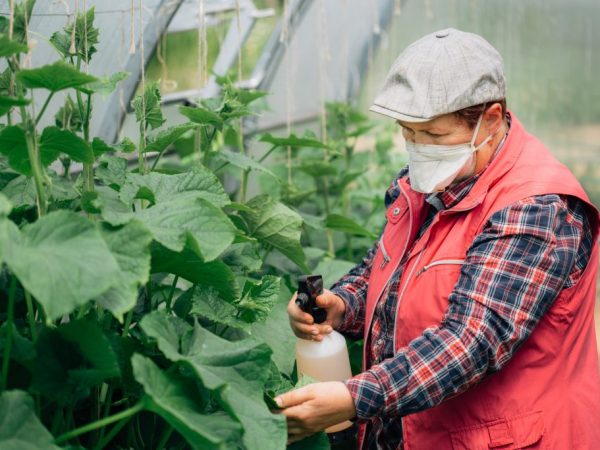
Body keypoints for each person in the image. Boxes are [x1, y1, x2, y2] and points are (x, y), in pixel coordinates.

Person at [278, 28, 600, 449]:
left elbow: (472, 340)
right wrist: (343, 304)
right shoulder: (434, 180)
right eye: (408, 133)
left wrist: (353, 398)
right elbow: (391, 266)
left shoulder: (535, 207)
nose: (417, 149)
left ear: (489, 118)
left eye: (433, 136)